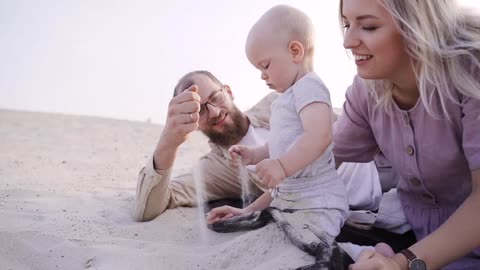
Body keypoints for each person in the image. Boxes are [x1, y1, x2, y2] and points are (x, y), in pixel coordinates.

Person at [336, 0, 480, 269]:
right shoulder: (366, 90)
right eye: (346, 24)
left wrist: (404, 262)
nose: (348, 41)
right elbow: (318, 160)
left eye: (367, 26)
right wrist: (254, 210)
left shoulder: (472, 69)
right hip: (417, 237)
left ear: (417, 24)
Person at [206, 4, 350, 248]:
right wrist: (254, 155)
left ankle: (363, 254)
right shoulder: (285, 99)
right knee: (280, 232)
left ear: (295, 51)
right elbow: (278, 146)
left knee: (312, 246)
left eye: (265, 65)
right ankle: (248, 212)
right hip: (291, 198)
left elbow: (321, 135)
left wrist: (282, 166)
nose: (262, 75)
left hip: (319, 202)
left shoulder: (309, 86)